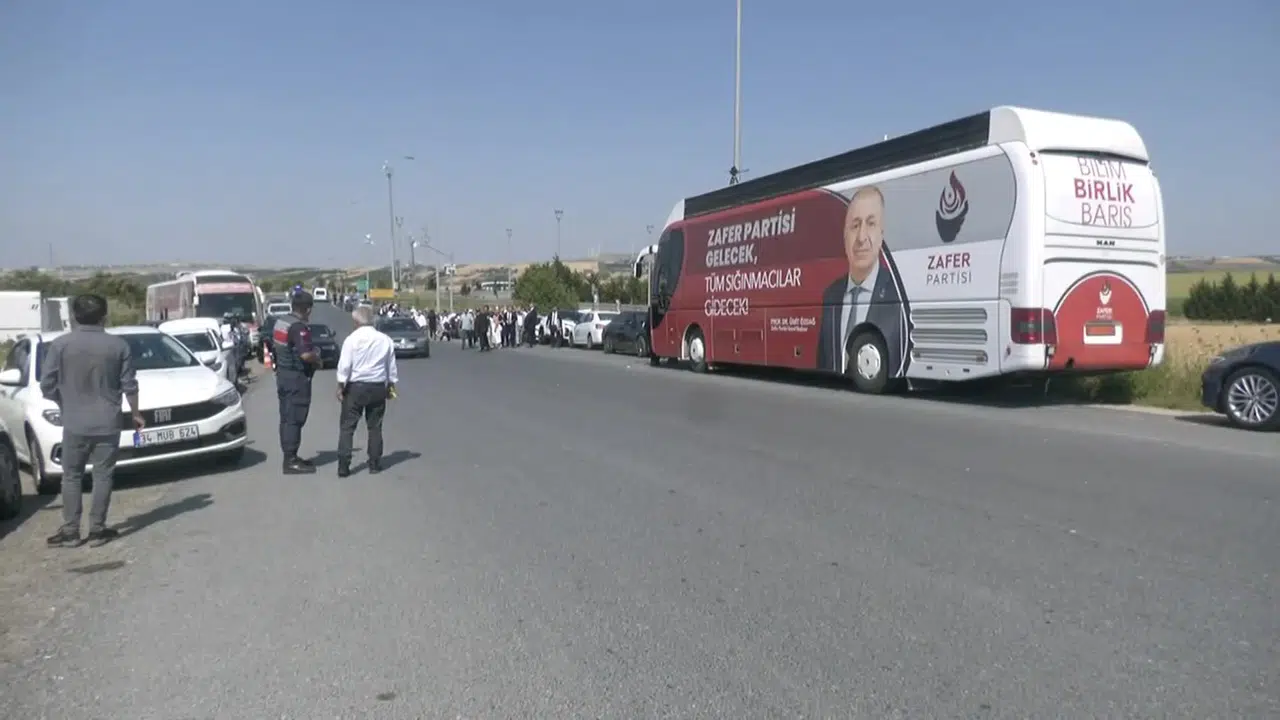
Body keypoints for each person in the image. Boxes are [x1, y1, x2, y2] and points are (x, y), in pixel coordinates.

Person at [39, 293, 145, 548]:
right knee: (103, 476)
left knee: (71, 477)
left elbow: (46, 385)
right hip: (108, 421)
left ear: (74, 316)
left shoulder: (60, 345)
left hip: (74, 422)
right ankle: (97, 530)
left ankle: (71, 532)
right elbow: (129, 385)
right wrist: (136, 413)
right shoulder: (119, 346)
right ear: (104, 316)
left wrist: (64, 401)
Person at [816, 185, 911, 377]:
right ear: (845, 237)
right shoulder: (831, 295)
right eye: (855, 226)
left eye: (871, 224)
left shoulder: (899, 293)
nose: (861, 237)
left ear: (882, 234)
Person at [335, 306, 398, 477]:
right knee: (375, 427)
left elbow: (344, 366)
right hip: (377, 387)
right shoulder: (385, 340)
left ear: (356, 322)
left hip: (356, 387)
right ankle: (374, 463)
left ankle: (343, 466)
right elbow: (391, 367)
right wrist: (391, 386)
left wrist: (340, 387)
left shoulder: (351, 340)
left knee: (347, 427)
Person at [273, 290, 322, 474]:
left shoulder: (282, 322)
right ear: (307, 309)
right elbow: (305, 355)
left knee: (286, 417)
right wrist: (317, 357)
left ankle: (290, 456)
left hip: (283, 375)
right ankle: (291, 461)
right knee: (294, 418)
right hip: (296, 378)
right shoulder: (298, 327)